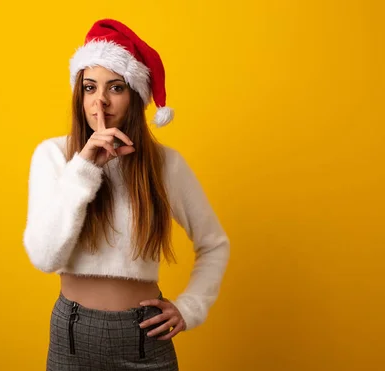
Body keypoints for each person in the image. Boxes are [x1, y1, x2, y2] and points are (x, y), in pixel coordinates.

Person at [22, 19, 230, 370]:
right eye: (89, 87)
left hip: (144, 336)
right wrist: (86, 165)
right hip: (71, 336)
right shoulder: (54, 156)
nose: (99, 101)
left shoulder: (165, 165)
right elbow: (44, 258)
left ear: (135, 95)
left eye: (115, 87)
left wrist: (190, 307)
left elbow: (214, 243)